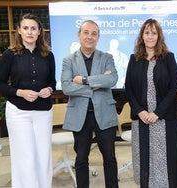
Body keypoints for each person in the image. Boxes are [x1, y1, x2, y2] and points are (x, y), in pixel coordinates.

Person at [125, 18, 177, 188]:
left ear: (159, 36)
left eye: (154, 33)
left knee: (163, 160)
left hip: (163, 118)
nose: (150, 36)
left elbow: (174, 88)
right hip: (142, 118)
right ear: (142, 36)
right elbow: (128, 88)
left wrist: (157, 113)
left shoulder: (168, 58)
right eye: (147, 32)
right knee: (143, 157)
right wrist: (141, 112)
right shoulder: (134, 59)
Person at [0, 13, 56, 188]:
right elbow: (0, 84)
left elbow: (52, 82)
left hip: (43, 112)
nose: (29, 32)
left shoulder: (48, 55)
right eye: (26, 28)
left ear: (39, 32)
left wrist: (49, 89)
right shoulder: (10, 55)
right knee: (25, 156)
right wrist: (19, 92)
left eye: (33, 28)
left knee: (43, 154)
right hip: (18, 111)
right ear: (19, 31)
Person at [61, 20, 119, 188]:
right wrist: (97, 85)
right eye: (86, 32)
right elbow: (66, 86)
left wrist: (84, 80)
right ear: (79, 35)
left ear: (98, 37)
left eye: (94, 33)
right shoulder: (69, 60)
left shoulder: (107, 57)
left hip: (104, 115)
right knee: (81, 159)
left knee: (109, 158)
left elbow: (112, 79)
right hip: (80, 116)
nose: (90, 37)